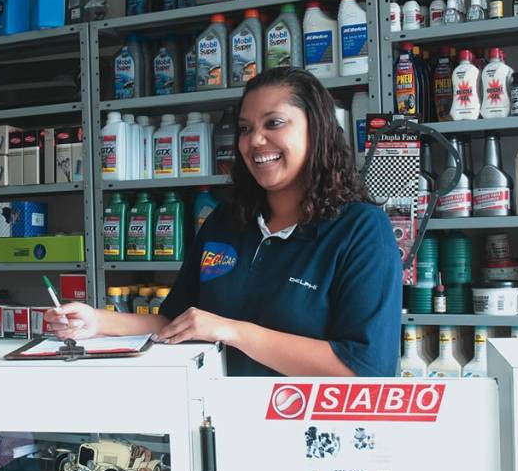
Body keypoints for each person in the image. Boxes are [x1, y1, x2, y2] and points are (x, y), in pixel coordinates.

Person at [47, 67, 401, 376]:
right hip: (215, 422)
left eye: (273, 123)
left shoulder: (361, 230)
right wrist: (97, 321)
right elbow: (177, 322)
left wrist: (233, 332)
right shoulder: (226, 221)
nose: (255, 141)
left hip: (309, 434)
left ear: (318, 129)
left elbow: (363, 367)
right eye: (245, 128)